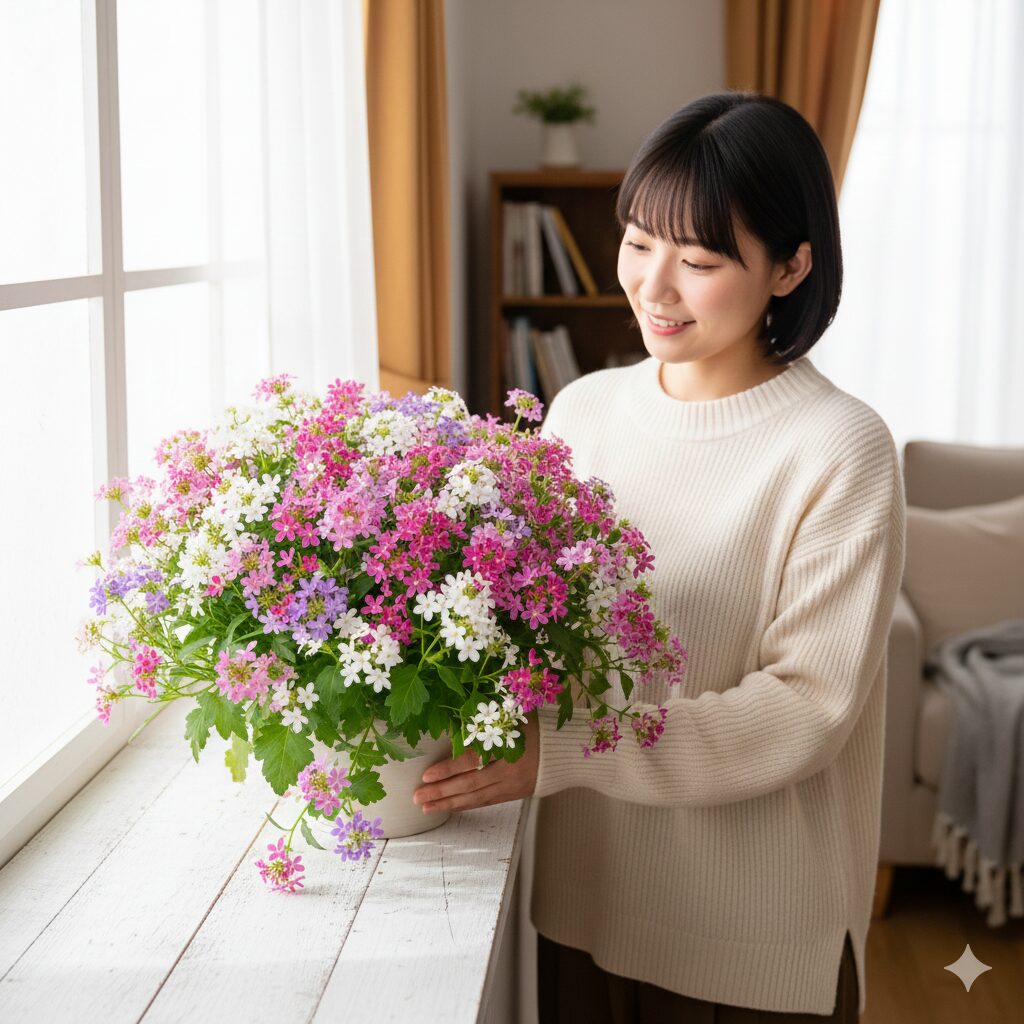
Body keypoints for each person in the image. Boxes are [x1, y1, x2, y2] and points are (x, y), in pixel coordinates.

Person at [413, 90, 904, 1023]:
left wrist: (564, 749)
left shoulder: (840, 448)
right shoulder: (582, 412)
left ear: (792, 266)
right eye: (639, 242)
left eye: (701, 261)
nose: (653, 286)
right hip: (584, 904)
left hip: (751, 943)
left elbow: (804, 711)